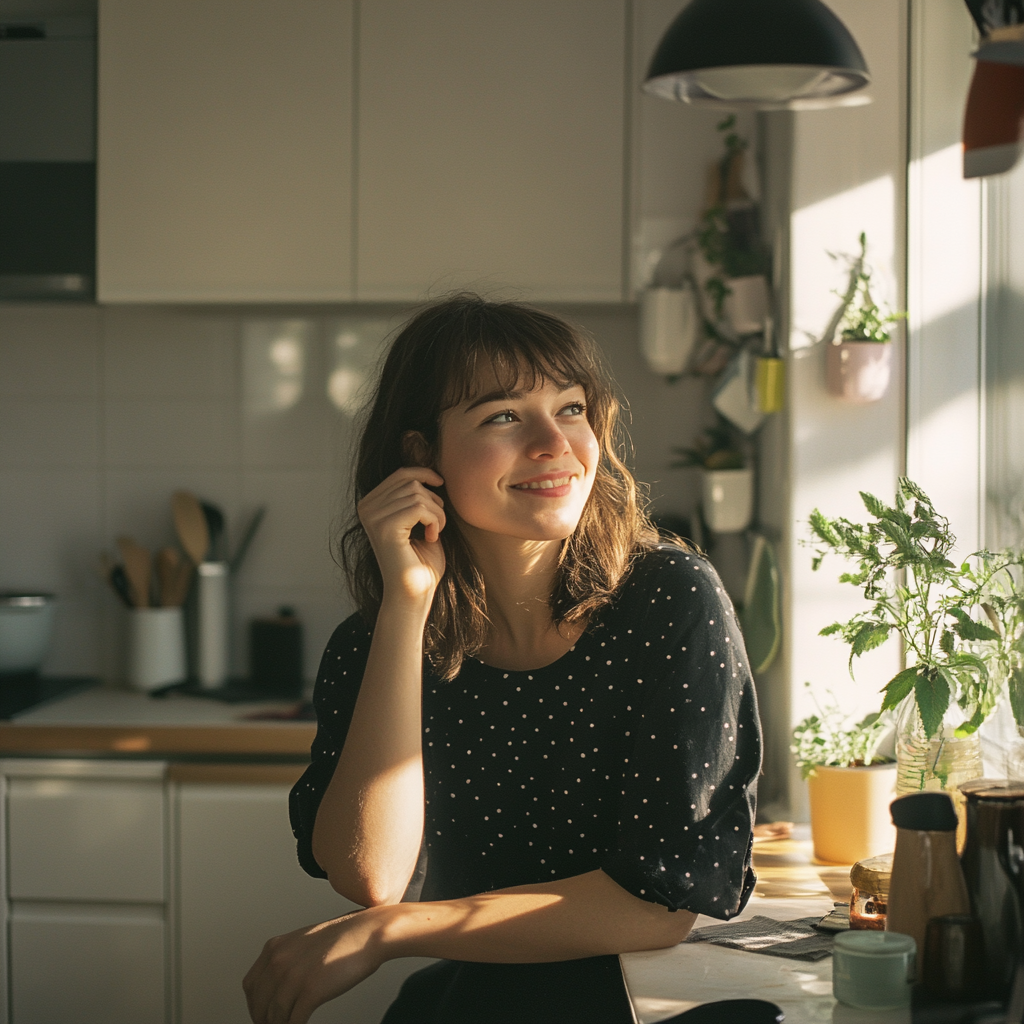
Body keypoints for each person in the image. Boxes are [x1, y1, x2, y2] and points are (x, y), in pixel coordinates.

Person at [243, 295, 761, 1024]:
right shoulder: (375, 641)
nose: (555, 444)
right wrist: (405, 609)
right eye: (503, 416)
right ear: (421, 456)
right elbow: (369, 874)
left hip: (639, 1009)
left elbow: (661, 904)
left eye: (572, 408)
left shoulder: (670, 600)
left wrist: (388, 935)